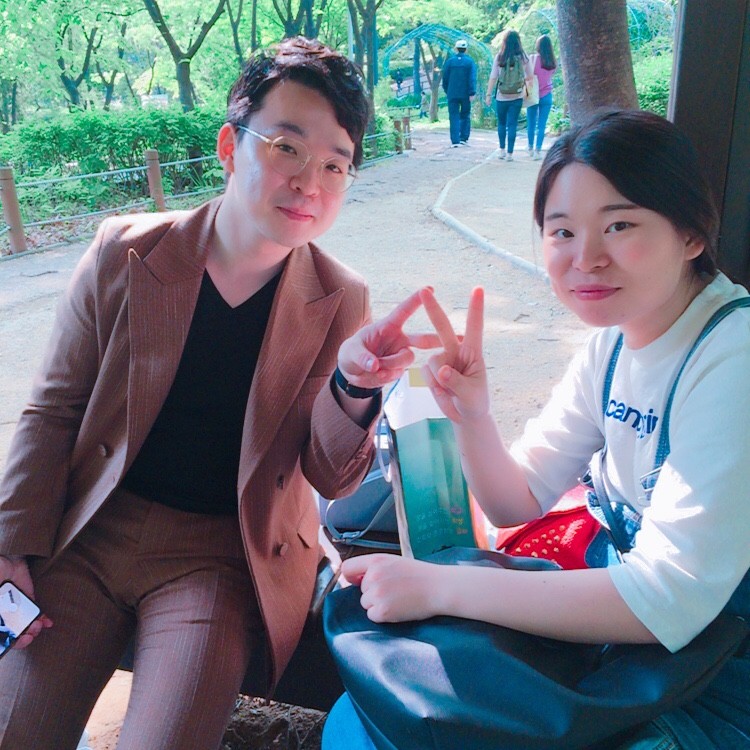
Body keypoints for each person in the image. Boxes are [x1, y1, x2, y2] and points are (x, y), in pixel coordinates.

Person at [0, 37, 435, 750]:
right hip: (91, 531)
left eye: (335, 165)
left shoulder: (338, 296)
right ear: (231, 147)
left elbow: (328, 475)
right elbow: (55, 406)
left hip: (221, 556)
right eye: (287, 148)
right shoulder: (125, 252)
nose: (310, 183)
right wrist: (11, 540)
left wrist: (354, 384)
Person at [323, 110, 750, 749]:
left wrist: (442, 587)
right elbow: (515, 501)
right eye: (562, 231)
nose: (586, 258)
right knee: (362, 722)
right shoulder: (615, 345)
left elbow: (668, 598)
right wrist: (472, 416)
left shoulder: (732, 359)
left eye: (620, 225)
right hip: (632, 639)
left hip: (719, 671)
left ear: (691, 234)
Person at [485, 30, 533, 161]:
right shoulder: (523, 57)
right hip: (517, 96)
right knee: (512, 124)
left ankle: (502, 150)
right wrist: (524, 87)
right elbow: (530, 76)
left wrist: (488, 94)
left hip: (501, 96)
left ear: (504, 42)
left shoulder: (500, 57)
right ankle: (510, 154)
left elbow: (493, 77)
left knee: (501, 123)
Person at [441, 39, 477, 147]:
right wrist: (472, 92)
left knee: (453, 116)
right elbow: (472, 79)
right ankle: (463, 138)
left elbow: (445, 78)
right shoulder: (470, 62)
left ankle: (455, 140)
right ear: (466, 49)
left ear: (456, 49)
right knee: (465, 115)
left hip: (452, 93)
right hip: (465, 94)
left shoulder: (450, 62)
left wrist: (447, 90)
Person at [526, 34, 557, 159]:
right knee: (542, 124)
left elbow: (527, 75)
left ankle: (530, 147)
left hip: (533, 93)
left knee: (531, 122)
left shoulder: (532, 58)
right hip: (547, 94)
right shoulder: (552, 61)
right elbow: (550, 75)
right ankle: (538, 149)